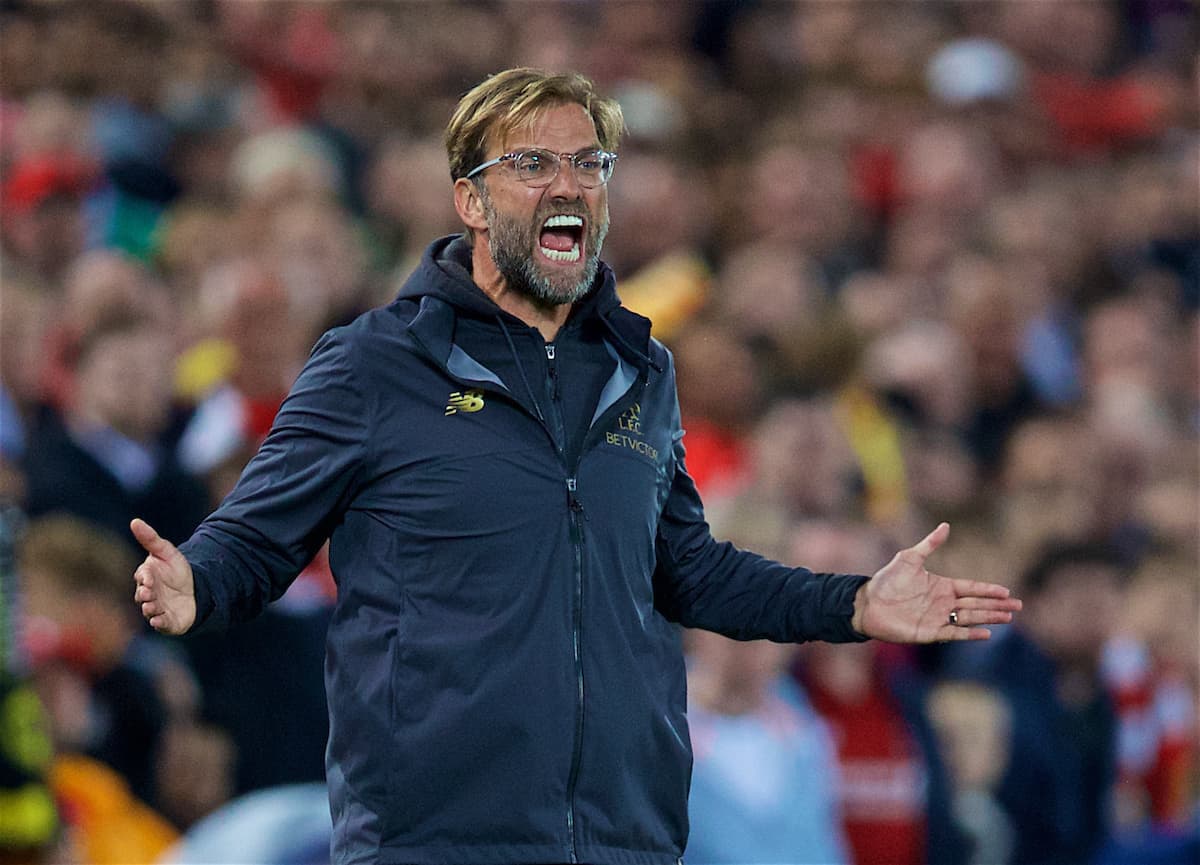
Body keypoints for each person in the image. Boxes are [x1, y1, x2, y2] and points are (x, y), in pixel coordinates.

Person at [130, 67, 1021, 865]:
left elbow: (690, 570)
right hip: (433, 839)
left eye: (590, 165)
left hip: (623, 835)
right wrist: (196, 583)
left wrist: (855, 602)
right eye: (532, 165)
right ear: (470, 201)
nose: (569, 185)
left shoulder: (644, 371)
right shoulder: (373, 364)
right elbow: (257, 536)